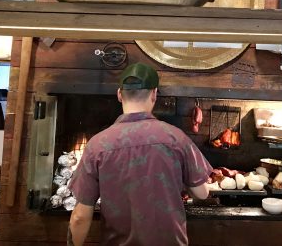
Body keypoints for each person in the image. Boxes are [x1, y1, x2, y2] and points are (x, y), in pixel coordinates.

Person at [68, 62, 212, 246]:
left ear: (119, 94)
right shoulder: (177, 138)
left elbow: (80, 217)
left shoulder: (97, 145)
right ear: (154, 94)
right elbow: (202, 193)